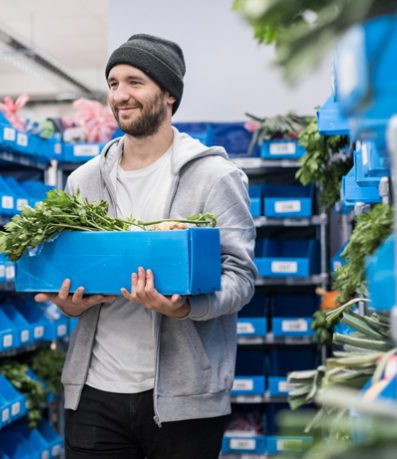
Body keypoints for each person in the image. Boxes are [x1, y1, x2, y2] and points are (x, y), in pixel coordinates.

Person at [34, 33, 257, 459]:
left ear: (169, 94)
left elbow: (241, 277)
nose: (121, 95)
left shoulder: (213, 177)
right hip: (96, 391)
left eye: (135, 82)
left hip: (184, 397)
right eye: (114, 83)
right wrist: (69, 303)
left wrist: (186, 307)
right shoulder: (85, 181)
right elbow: (74, 264)